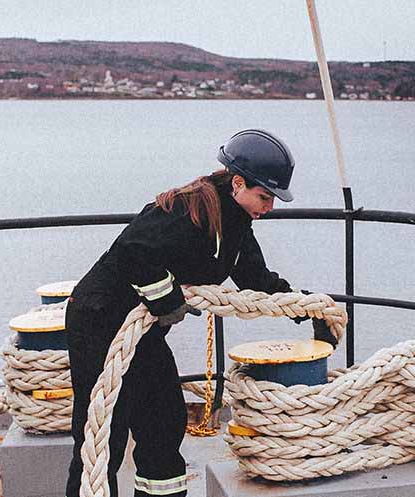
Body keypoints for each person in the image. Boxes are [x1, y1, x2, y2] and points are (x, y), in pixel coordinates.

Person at [65, 129, 336, 497]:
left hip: (144, 333)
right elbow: (132, 252)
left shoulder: (236, 222)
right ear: (237, 183)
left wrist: (304, 307)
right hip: (99, 320)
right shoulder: (186, 209)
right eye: (264, 197)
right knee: (104, 434)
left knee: (164, 421)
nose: (269, 207)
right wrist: (165, 299)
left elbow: (254, 277)